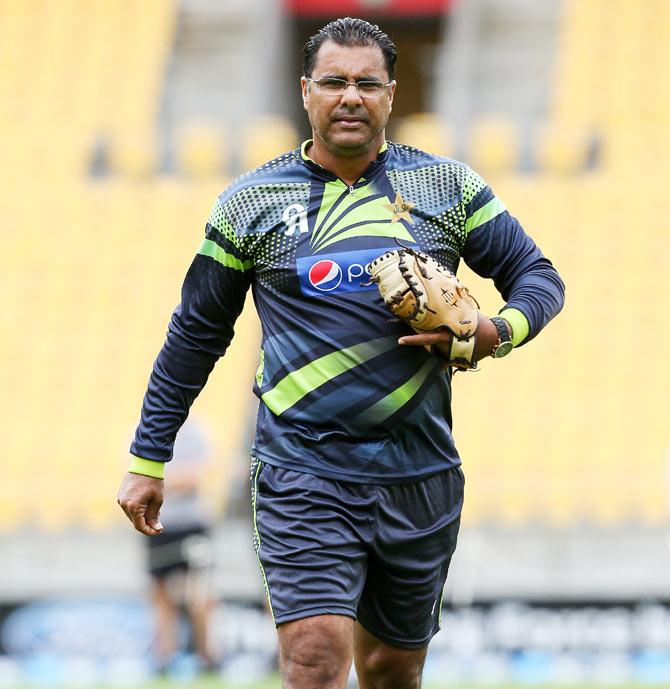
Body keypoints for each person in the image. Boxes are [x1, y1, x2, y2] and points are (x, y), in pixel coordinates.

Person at [118, 17, 565, 689]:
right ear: (306, 92)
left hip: (418, 472)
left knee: (391, 670)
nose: (350, 96)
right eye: (333, 82)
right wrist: (149, 456)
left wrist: (494, 333)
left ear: (390, 93)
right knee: (314, 657)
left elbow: (540, 279)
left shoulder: (447, 188)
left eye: (367, 83)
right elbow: (195, 333)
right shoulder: (251, 202)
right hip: (303, 470)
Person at [141, 419, 217, 674]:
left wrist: (155, 482)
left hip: (191, 525)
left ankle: (208, 658)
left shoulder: (195, 433)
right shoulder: (142, 431)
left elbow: (192, 478)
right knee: (160, 594)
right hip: (157, 522)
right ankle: (165, 658)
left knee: (199, 593)